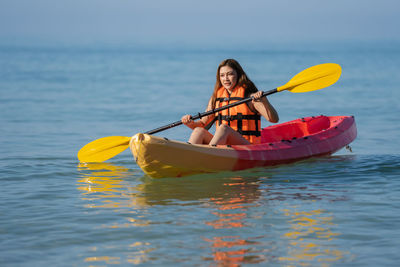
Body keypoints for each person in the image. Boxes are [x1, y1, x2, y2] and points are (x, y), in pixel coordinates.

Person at [181, 59, 279, 146]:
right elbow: (203, 124)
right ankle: (188, 157)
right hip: (223, 146)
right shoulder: (216, 97)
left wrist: (264, 101)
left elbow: (274, 119)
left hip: (248, 146)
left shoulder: (249, 97)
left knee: (224, 128)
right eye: (222, 75)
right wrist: (189, 123)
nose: (226, 79)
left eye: (230, 74)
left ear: (238, 75)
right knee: (198, 131)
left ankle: (209, 156)